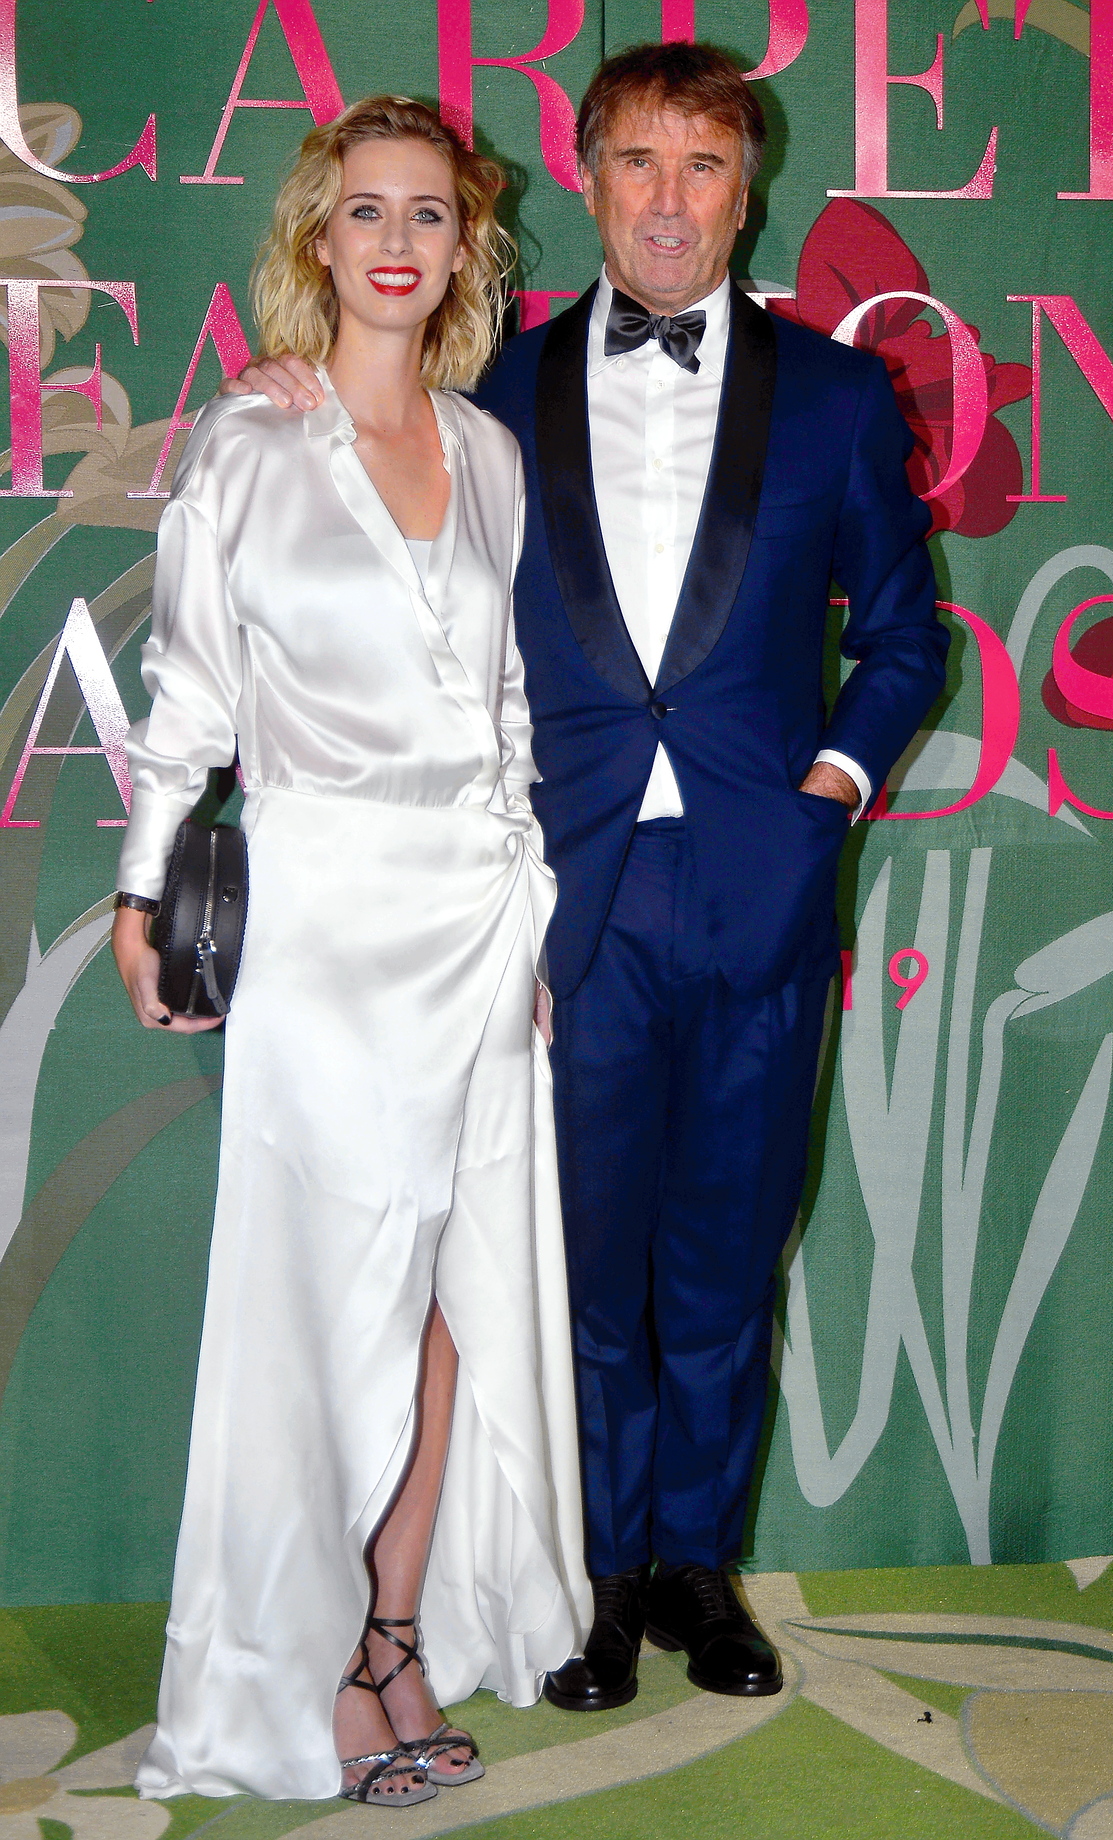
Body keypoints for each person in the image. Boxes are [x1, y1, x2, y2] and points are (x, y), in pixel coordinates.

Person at [228, 42, 948, 1715]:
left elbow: (906, 640)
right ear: (591, 178)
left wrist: (827, 795)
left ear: (746, 193)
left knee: (728, 1256)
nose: (669, 201)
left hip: (762, 888)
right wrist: (290, 386)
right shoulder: (491, 393)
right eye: (638, 162)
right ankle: (600, 1577)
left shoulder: (838, 398)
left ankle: (700, 1568)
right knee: (580, 1264)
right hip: (562, 901)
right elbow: (369, 467)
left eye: (703, 167)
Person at [111, 95, 589, 1804]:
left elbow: (509, 709)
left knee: (455, 1306)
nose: (398, 240)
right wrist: (142, 895)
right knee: (317, 1312)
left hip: (476, 913)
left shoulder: (490, 457)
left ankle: (393, 1636)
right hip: (320, 918)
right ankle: (293, 1668)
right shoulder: (249, 442)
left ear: (468, 251)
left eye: (430, 215)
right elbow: (190, 696)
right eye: (368, 210)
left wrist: (532, 919)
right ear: (320, 237)